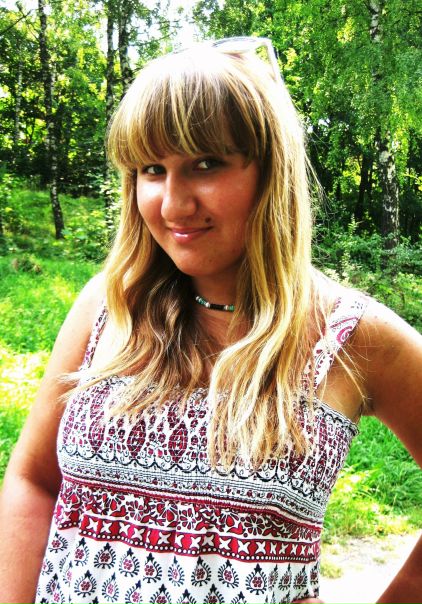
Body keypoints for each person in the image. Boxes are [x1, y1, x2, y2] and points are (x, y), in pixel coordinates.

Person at [0, 37, 421, 604]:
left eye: (206, 164)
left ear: (271, 172)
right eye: (152, 169)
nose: (174, 205)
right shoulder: (109, 304)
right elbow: (33, 479)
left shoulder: (351, 335)